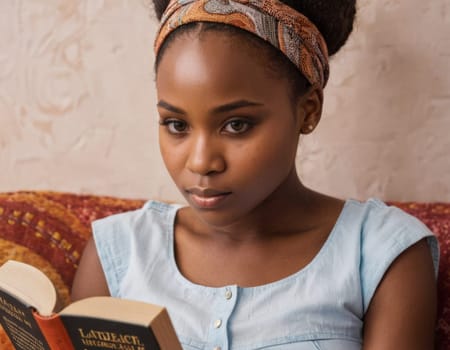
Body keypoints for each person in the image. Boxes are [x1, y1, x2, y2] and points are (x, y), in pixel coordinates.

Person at [71, 0, 440, 349]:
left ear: (308, 110)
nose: (201, 162)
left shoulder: (380, 253)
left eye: (236, 125)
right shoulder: (117, 253)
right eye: (176, 124)